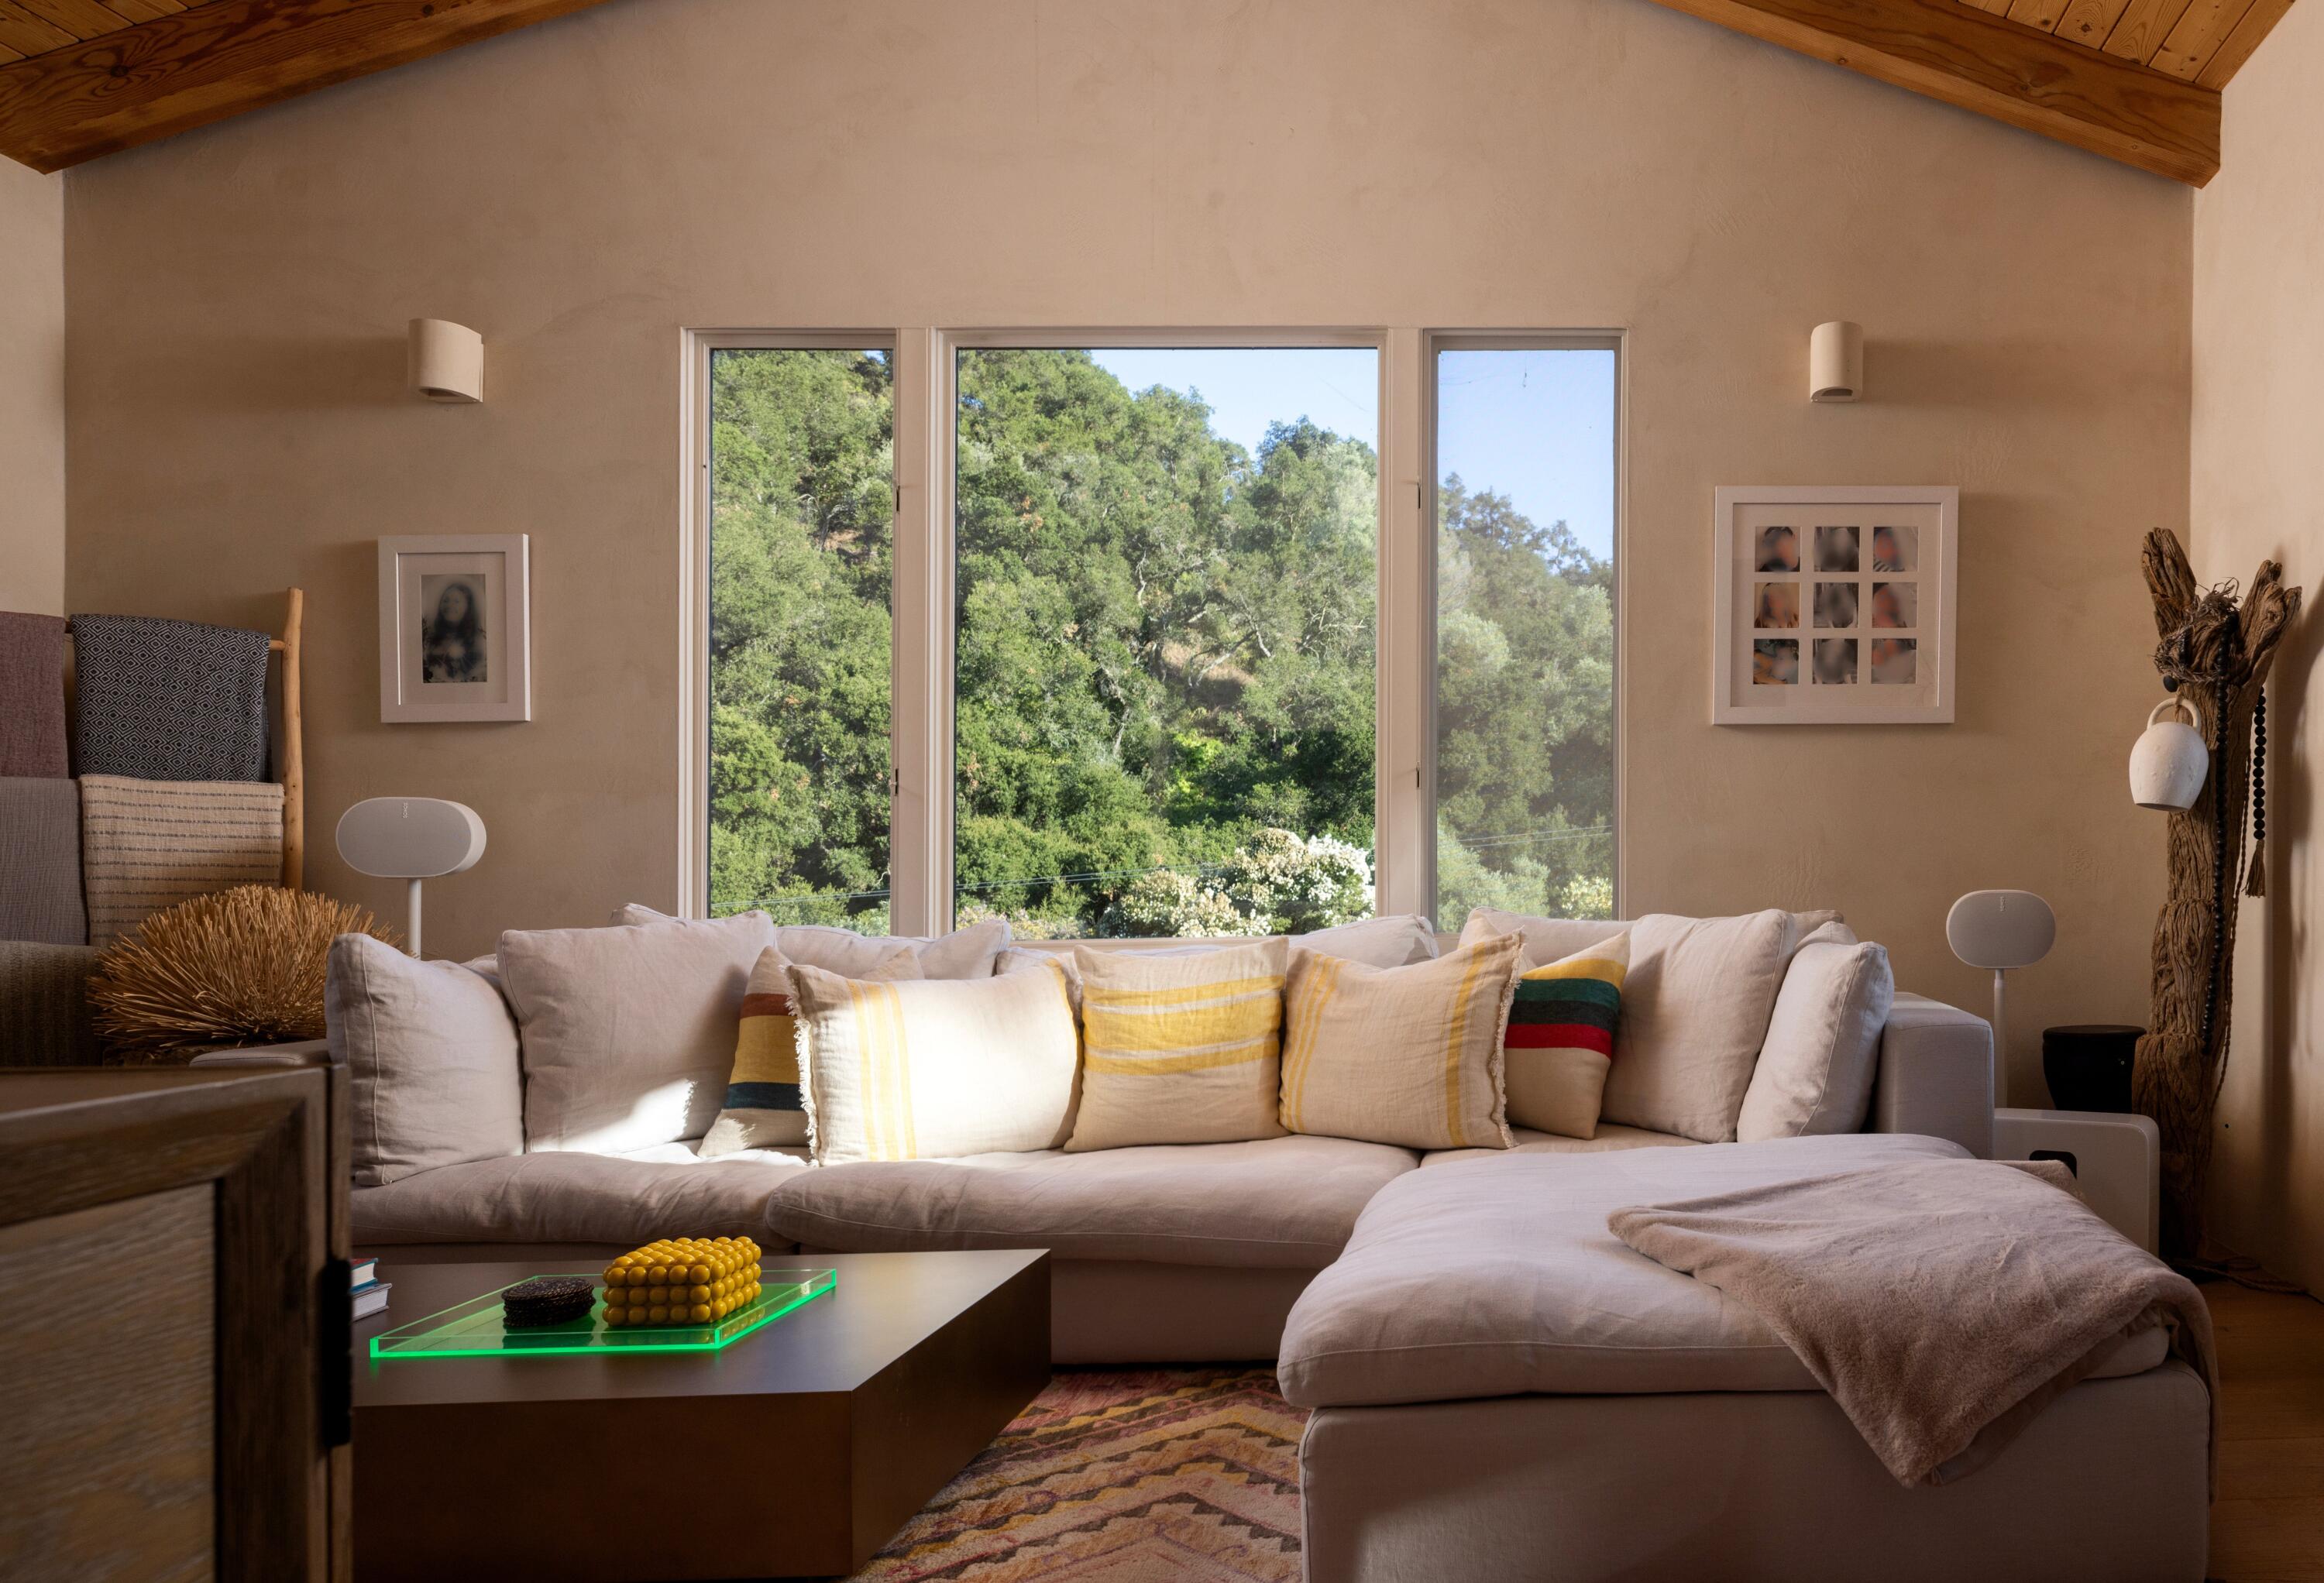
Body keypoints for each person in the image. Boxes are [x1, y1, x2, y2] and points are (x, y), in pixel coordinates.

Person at [422, 580, 488, 684]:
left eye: (457, 601)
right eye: (446, 600)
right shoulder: (430, 638)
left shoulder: (479, 641)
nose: (450, 605)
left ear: (468, 608)